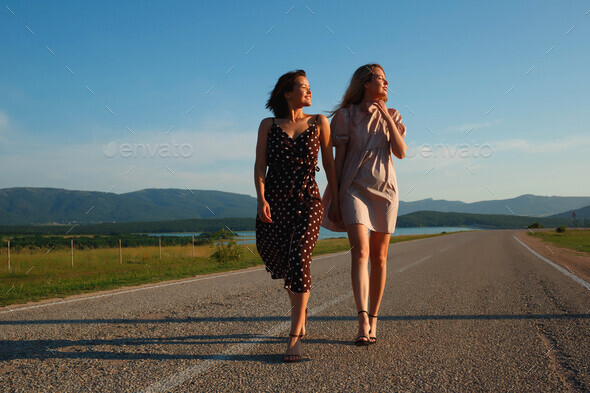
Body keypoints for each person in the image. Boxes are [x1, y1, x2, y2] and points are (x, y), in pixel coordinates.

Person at [254, 70, 340, 362]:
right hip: (276, 200)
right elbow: (260, 166)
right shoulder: (268, 125)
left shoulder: (319, 122)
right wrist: (261, 198)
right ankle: (301, 314)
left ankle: (294, 336)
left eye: (309, 87)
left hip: (308, 199)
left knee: (300, 257)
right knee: (285, 262)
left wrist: (336, 201)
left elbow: (329, 164)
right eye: (303, 87)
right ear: (286, 93)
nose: (309, 91)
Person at [322, 64, 407, 346]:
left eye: (386, 79)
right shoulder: (346, 116)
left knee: (379, 258)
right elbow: (338, 159)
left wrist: (385, 115)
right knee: (360, 251)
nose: (386, 83)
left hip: (385, 190)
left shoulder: (393, 115)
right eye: (380, 78)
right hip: (353, 188)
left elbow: (401, 152)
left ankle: (374, 318)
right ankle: (361, 321)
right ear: (365, 83)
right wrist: (334, 196)